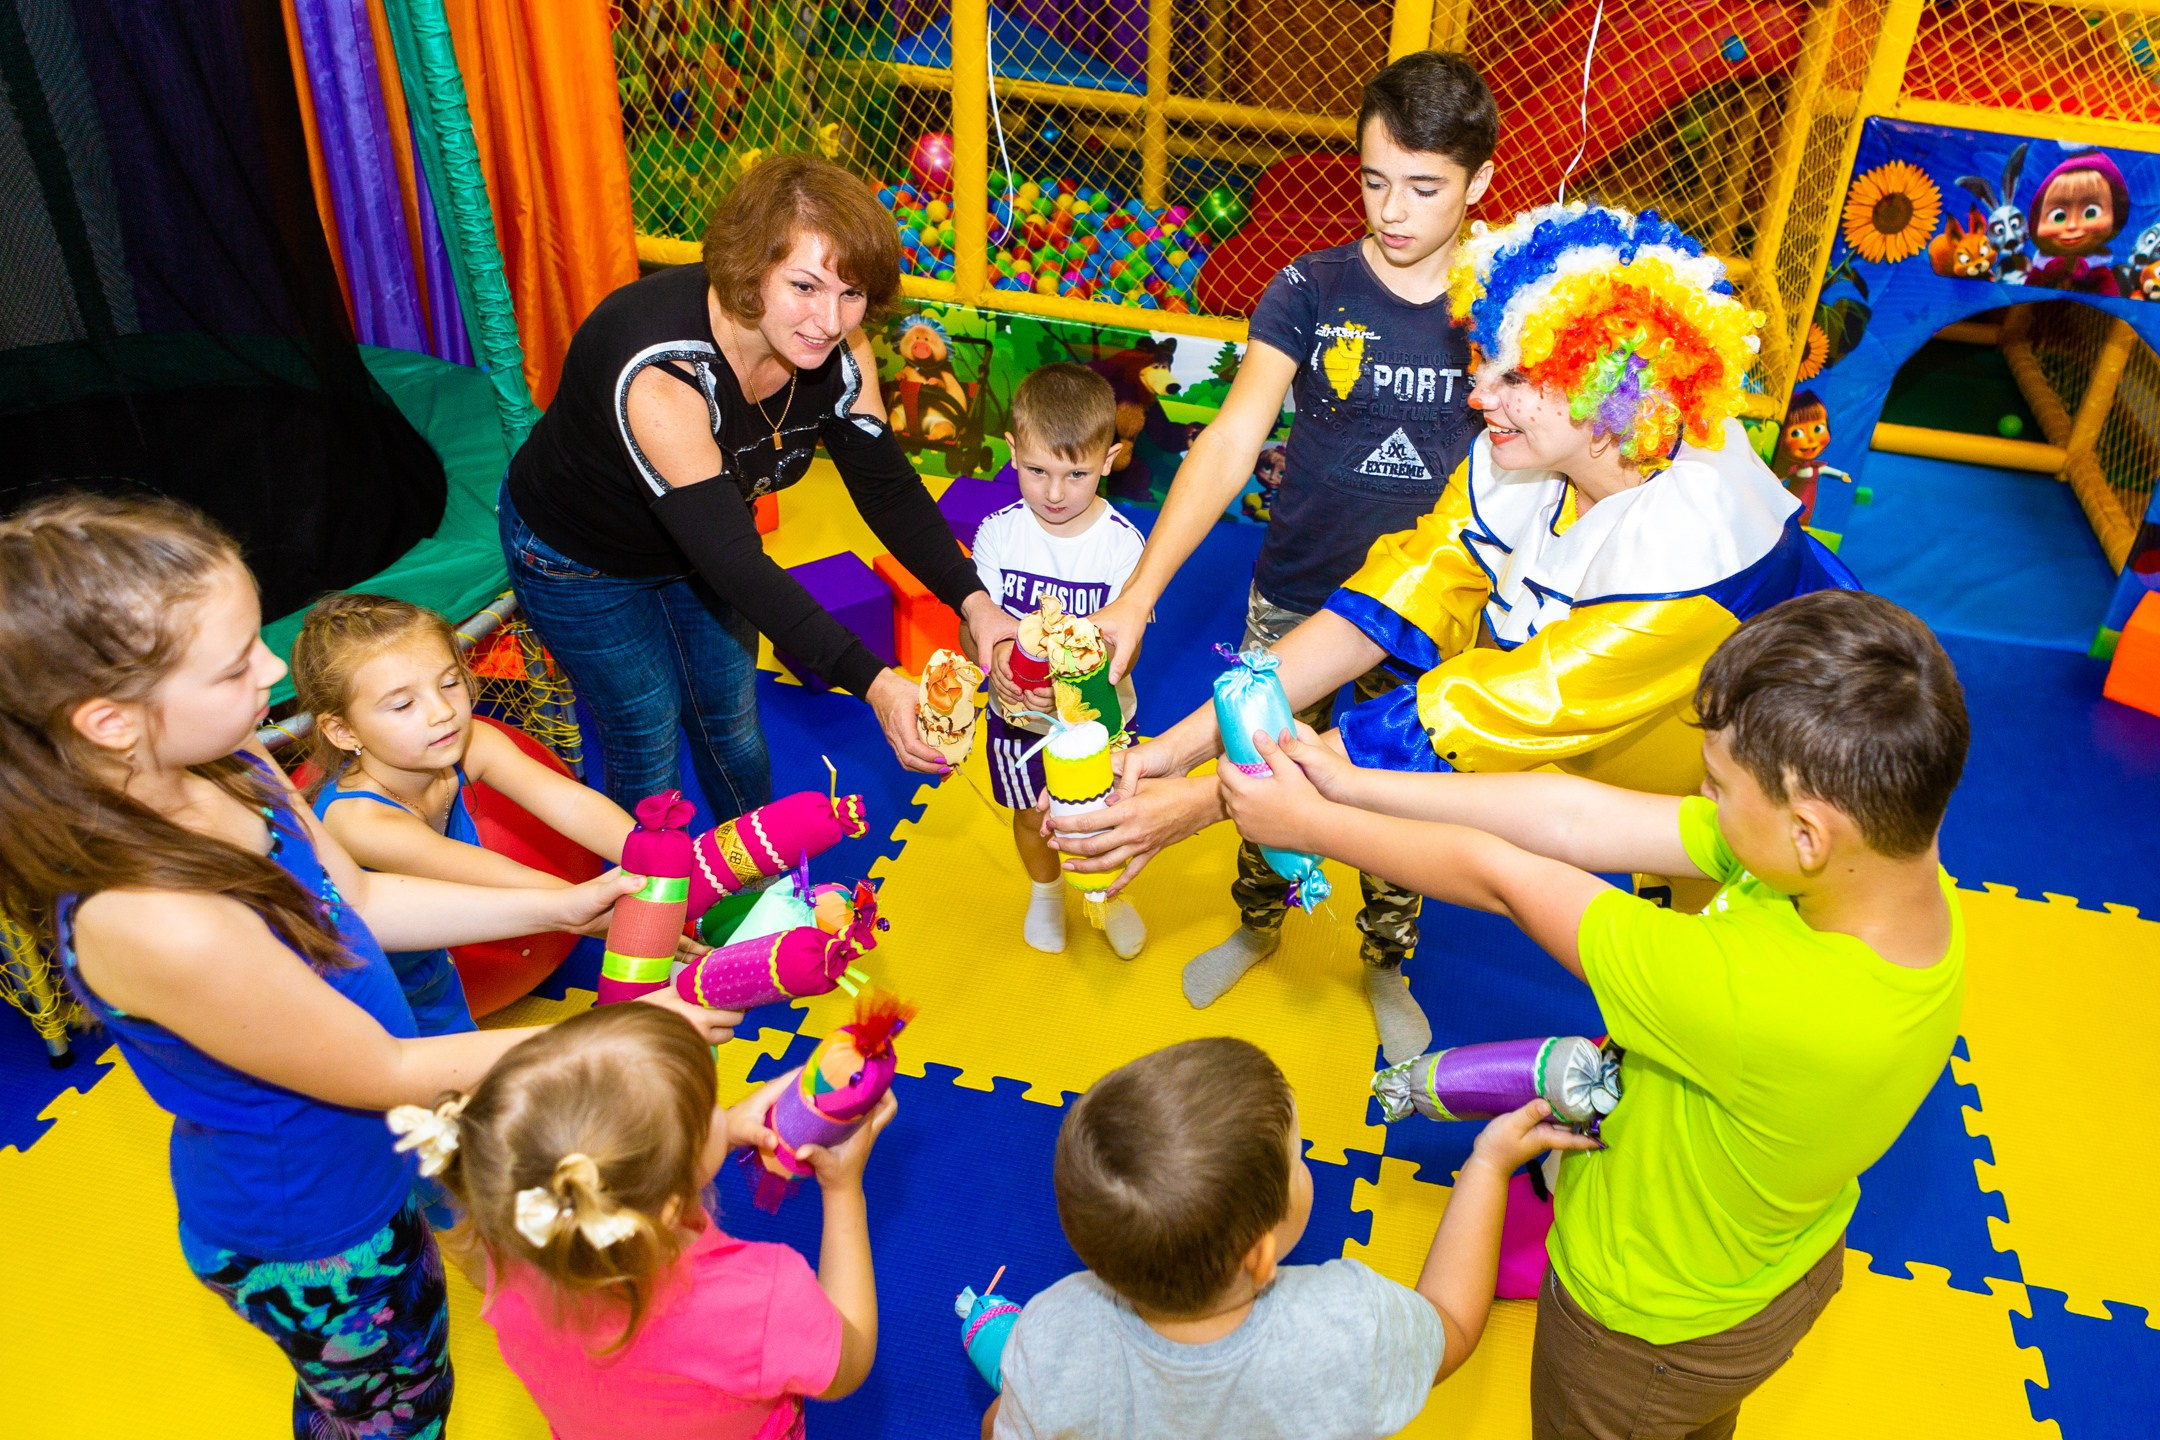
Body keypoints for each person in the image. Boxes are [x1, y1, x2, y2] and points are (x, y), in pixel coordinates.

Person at [0, 494, 738, 1438]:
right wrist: (624, 1033)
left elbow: (365, 903)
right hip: (315, 1231)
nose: (273, 670)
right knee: (393, 1412)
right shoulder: (154, 918)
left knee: (387, 1384)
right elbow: (383, 1070)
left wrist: (563, 906)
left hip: (379, 1162)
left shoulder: (233, 768)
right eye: (235, 666)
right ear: (109, 722)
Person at [1059, 203, 1856, 1061]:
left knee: (1726, 1028)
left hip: (1794, 828)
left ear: (1608, 385)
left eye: (1516, 378)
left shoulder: (1690, 549)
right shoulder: (1529, 459)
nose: (1479, 396)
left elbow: (1459, 720)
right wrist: (1172, 752)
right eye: (1484, 362)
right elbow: (1383, 604)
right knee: (1656, 990)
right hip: (1664, 798)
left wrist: (1200, 803)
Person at [1216, 589, 1967, 1439]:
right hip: (1764, 1268)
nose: (1704, 801)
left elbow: (1504, 878)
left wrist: (1316, 825)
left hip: (1642, 1325)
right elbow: (1571, 816)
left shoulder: (1751, 992)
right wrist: (1359, 786)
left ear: (1807, 832)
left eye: (1716, 789)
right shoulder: (1883, 883)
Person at [1078, 51, 1499, 1055]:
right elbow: (1231, 440)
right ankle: (1257, 923)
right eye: (1374, 180)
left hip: (1431, 615)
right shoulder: (1311, 287)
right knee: (1258, 774)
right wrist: (1138, 595)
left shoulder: (1498, 307)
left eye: (1425, 187)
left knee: (1403, 805)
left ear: (1480, 182)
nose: (1393, 211)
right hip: (1297, 596)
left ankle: (1385, 956)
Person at [502, 153, 1017, 813]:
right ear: (750, 269)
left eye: (850, 293)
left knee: (734, 724)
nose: (830, 321)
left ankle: (754, 885)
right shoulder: (662, 370)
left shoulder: (838, 351)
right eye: (804, 286)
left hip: (704, 544)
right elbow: (739, 568)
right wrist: (878, 684)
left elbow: (886, 487)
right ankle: (652, 910)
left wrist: (974, 602)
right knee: (645, 735)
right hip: (582, 559)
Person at [983, 1037, 1595, 1439]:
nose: (1307, 1165)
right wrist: (1487, 1166)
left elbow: (1003, 1426)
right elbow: (1453, 1328)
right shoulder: (1347, 1322)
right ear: (1258, 1254)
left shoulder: (1049, 1332)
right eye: (1299, 1156)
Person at [413, 1003, 892, 1440]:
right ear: (667, 1202)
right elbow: (849, 1364)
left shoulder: (521, 1236)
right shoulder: (760, 1296)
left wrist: (707, 1139)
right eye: (709, 1104)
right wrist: (844, 1189)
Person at [291, 592, 703, 1035]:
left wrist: (667, 862)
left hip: (429, 967)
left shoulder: (471, 745)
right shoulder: (359, 822)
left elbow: (569, 803)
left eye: (448, 683)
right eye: (403, 705)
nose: (443, 712)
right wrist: (633, 920)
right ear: (343, 730)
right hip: (358, 995)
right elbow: (501, 876)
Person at [967, 363, 1148, 959]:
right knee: (1028, 814)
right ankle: (1045, 893)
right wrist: (993, 664)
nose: (1053, 492)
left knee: (1103, 820)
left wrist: (1077, 681)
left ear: (1110, 458)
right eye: (1036, 469)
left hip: (1101, 725)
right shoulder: (996, 534)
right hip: (1016, 722)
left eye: (1075, 474)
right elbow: (976, 628)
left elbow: (1129, 644)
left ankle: (1106, 897)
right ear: (1012, 449)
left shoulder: (1123, 544)